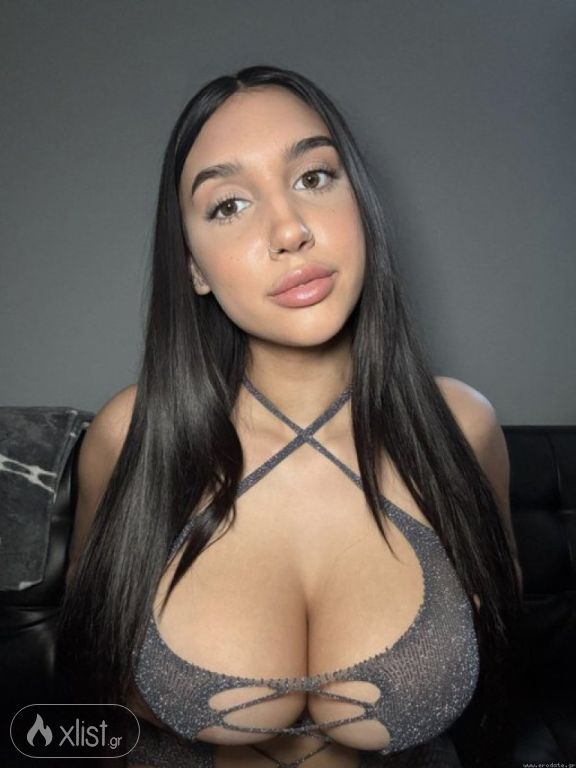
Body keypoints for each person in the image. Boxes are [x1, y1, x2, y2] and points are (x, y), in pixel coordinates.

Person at [57, 65, 524, 768]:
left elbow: (503, 671)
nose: (289, 230)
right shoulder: (131, 437)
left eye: (313, 177)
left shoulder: (463, 427)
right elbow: (88, 685)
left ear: (361, 204)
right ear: (194, 267)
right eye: (228, 205)